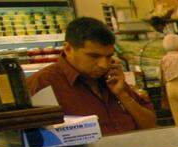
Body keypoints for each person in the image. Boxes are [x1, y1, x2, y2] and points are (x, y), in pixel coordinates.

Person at [27, 17, 157, 136]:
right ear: (68, 49)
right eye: (94, 56)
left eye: (108, 56)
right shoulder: (43, 83)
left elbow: (150, 126)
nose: (103, 65)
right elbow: (36, 140)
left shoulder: (113, 78)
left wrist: (122, 95)